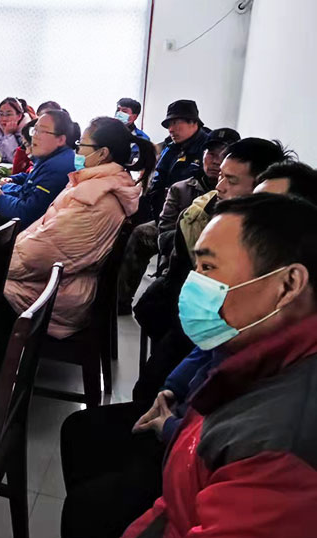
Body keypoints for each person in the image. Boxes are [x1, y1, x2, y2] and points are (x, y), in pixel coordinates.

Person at [123, 193, 317, 538]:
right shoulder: (244, 350)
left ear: (287, 285)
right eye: (197, 268)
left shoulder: (283, 445)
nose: (194, 284)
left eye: (209, 268)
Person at [132, 138, 289, 402]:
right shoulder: (200, 214)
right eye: (221, 176)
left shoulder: (273, 248)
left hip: (220, 338)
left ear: (261, 187)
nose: (220, 186)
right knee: (153, 388)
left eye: (232, 180)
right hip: (186, 319)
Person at [4, 117, 154, 338]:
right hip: (60, 281)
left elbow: (42, 253)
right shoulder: (94, 185)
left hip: (61, 296)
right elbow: (45, 233)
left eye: (81, 145)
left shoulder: (96, 200)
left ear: (102, 153)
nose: (77, 151)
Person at [117, 100, 209, 313]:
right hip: (164, 215)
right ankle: (120, 301)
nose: (171, 129)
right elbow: (157, 179)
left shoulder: (207, 150)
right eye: (169, 125)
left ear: (193, 122)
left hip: (192, 224)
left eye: (176, 123)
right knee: (133, 231)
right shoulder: (171, 147)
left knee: (143, 236)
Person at [157, 127, 240, 267]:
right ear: (202, 155)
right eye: (211, 154)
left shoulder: (238, 195)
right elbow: (165, 236)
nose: (216, 161)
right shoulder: (180, 189)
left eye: (224, 156)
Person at [0, 110, 76, 230]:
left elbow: (28, 213)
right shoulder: (50, 159)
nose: (34, 136)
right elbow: (28, 187)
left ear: (61, 140)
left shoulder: (57, 167)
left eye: (42, 131)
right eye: (35, 130)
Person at [0, 97, 32, 163]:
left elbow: (16, 160)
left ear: (19, 116)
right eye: (1, 114)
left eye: (8, 114)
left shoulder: (28, 132)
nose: (4, 119)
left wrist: (8, 135)